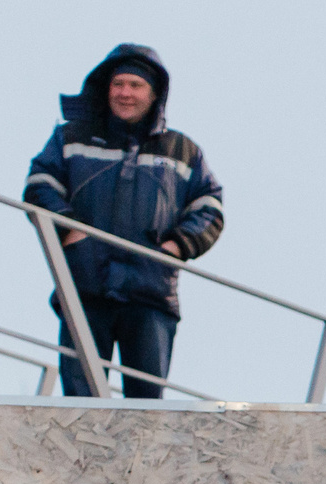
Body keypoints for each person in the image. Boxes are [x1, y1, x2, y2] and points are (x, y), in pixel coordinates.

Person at [21, 43, 221, 399]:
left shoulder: (183, 150)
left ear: (155, 93)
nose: (125, 93)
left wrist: (176, 246)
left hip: (151, 293)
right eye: (118, 84)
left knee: (146, 409)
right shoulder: (70, 137)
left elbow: (210, 207)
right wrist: (68, 229)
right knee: (80, 405)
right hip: (84, 285)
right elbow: (39, 186)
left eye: (135, 85)